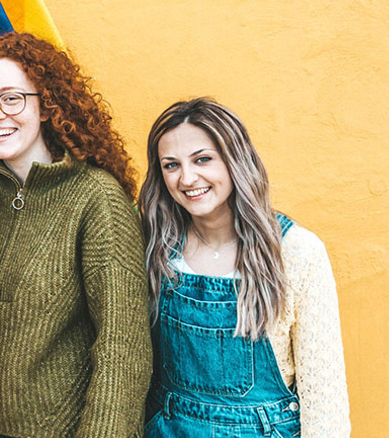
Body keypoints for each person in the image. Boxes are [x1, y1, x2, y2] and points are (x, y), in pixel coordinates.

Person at [0, 32, 150, 438]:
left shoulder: (95, 197)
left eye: (12, 98)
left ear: (46, 105)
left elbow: (124, 344)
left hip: (63, 431)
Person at [139, 98, 350, 437]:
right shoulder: (155, 247)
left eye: (203, 159)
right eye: (171, 165)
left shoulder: (297, 252)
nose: (188, 178)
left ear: (235, 159)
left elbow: (325, 398)